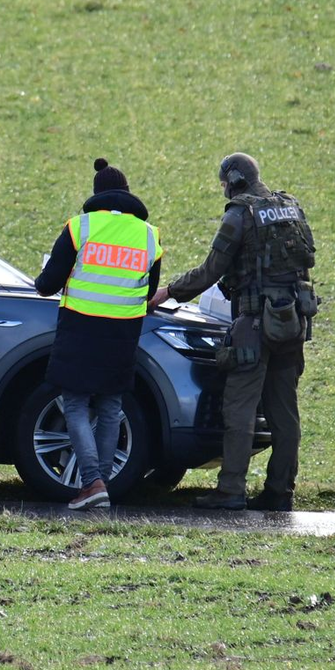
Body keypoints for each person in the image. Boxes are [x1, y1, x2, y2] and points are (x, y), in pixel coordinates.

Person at [152, 153, 316, 512]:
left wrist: (167, 293)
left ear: (236, 179)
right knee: (285, 413)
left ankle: (231, 490)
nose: (223, 189)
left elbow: (211, 271)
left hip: (254, 323)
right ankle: (280, 492)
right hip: (292, 323)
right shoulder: (291, 208)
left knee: (239, 408)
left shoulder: (239, 215)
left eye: (224, 182)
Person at [35, 159, 164, 511]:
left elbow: (47, 284)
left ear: (97, 195)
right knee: (110, 406)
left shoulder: (81, 227)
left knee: (75, 403)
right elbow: (148, 290)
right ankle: (100, 486)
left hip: (80, 328)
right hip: (123, 333)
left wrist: (43, 276)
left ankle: (91, 480)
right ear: (126, 193)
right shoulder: (149, 235)